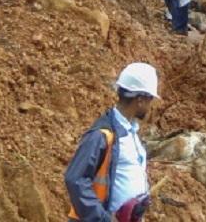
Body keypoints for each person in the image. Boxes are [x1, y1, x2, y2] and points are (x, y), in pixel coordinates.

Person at [64, 63, 158, 222]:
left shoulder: (130, 133)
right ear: (140, 100)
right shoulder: (101, 135)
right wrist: (103, 218)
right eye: (150, 100)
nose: (150, 106)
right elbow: (75, 179)